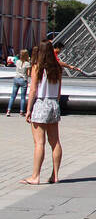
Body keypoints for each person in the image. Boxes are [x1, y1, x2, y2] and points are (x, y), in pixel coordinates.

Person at [21, 40, 63, 185]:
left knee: (39, 143)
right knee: (55, 142)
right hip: (53, 103)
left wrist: (28, 109)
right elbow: (59, 91)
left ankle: (35, 176)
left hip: (40, 103)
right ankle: (55, 175)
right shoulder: (57, 68)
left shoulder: (37, 67)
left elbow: (33, 89)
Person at [6, 49, 30, 116]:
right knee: (23, 97)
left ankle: (8, 111)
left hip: (16, 78)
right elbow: (28, 73)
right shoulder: (27, 64)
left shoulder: (17, 61)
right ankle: (21, 111)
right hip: (23, 79)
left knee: (13, 96)